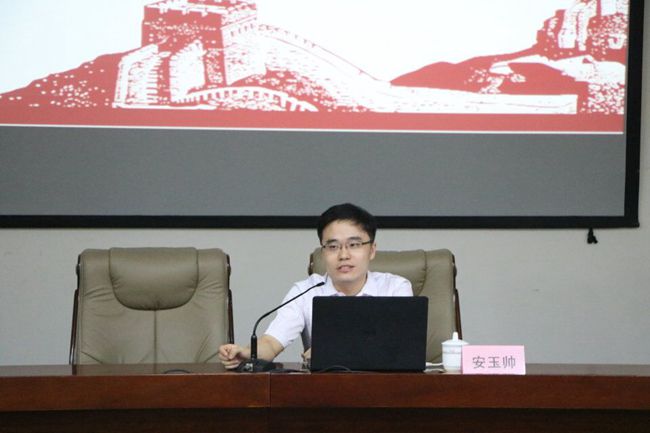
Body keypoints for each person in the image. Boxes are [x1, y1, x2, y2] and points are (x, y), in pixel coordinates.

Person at [218, 203, 413, 369]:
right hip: (324, 392)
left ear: (372, 250)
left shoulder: (395, 288)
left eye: (354, 245)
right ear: (323, 252)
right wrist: (247, 353)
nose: (343, 255)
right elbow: (271, 343)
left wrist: (333, 351)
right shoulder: (305, 291)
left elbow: (402, 349)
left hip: (387, 390)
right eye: (333, 246)